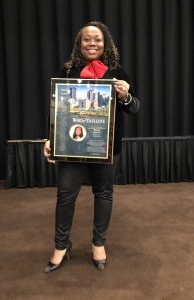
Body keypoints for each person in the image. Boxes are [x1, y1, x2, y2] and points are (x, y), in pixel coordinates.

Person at [43, 21, 140, 272]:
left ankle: (99, 243)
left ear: (105, 42)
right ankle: (61, 246)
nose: (92, 43)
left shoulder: (117, 71)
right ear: (80, 43)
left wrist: (125, 96)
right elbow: (58, 112)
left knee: (104, 193)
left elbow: (134, 107)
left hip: (106, 146)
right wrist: (50, 138)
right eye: (87, 39)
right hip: (71, 147)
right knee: (65, 195)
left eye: (97, 39)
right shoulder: (67, 71)